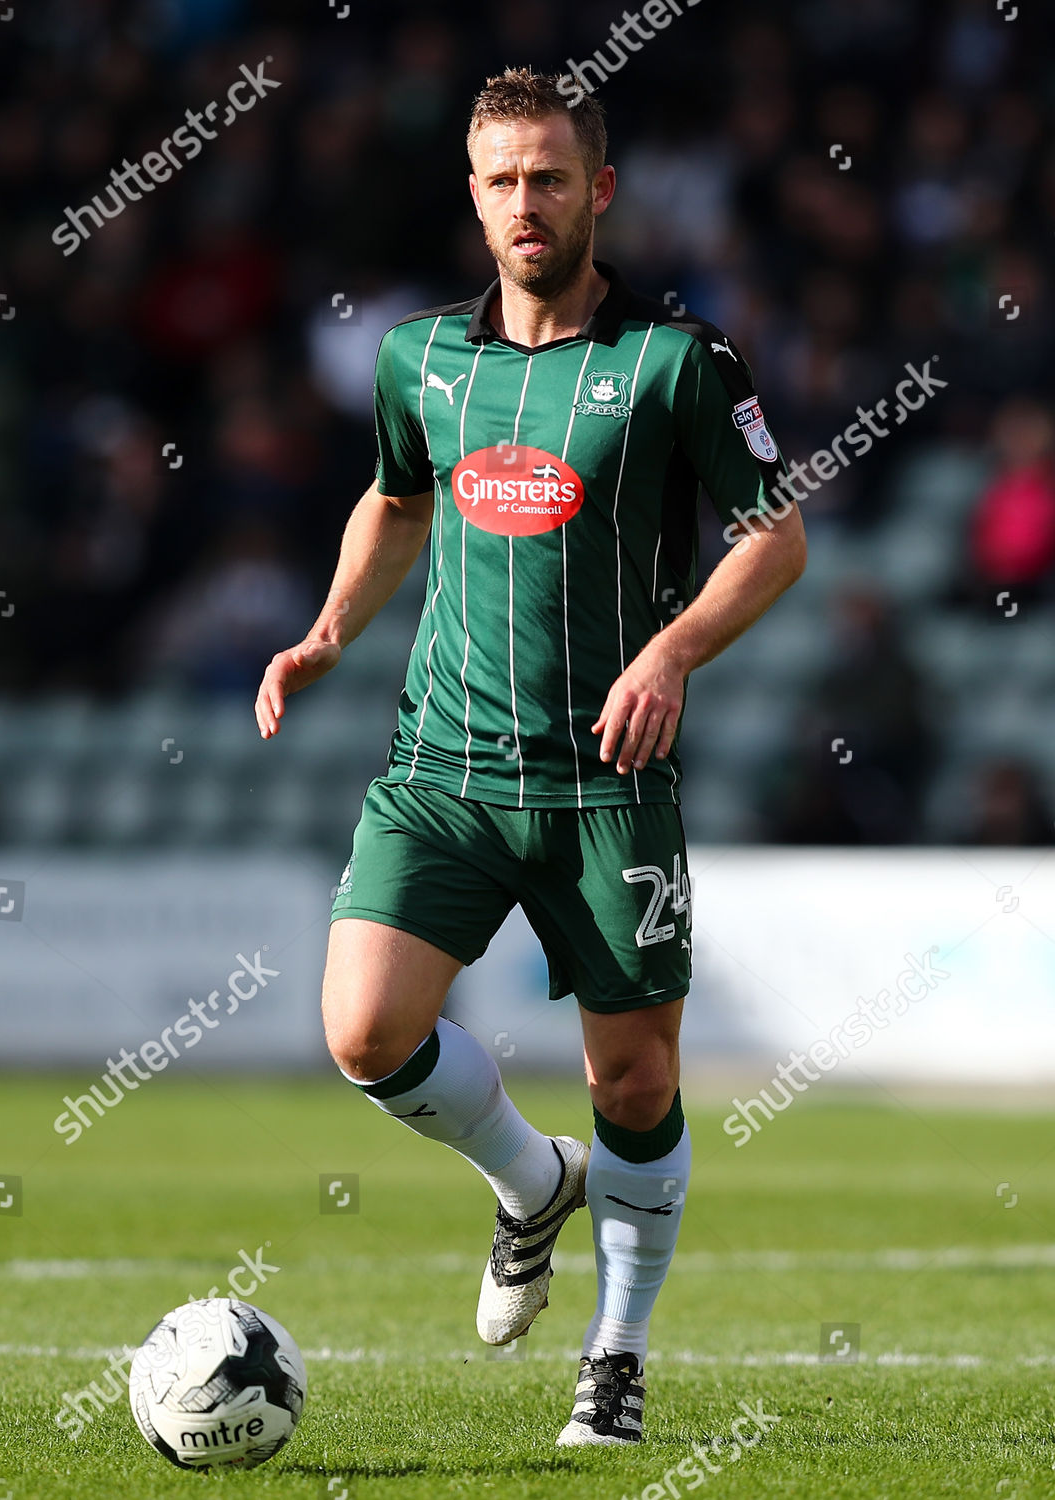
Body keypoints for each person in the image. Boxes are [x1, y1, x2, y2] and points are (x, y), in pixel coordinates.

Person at [255, 67, 805, 1446]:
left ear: (598, 192)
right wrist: (327, 631)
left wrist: (671, 651)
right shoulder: (421, 359)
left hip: (605, 785)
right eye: (501, 179)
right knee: (363, 1033)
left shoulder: (677, 361)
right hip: (441, 767)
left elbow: (777, 539)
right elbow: (394, 501)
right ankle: (525, 1183)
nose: (525, 203)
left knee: (637, 1083)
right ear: (473, 195)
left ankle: (615, 1356)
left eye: (549, 178)